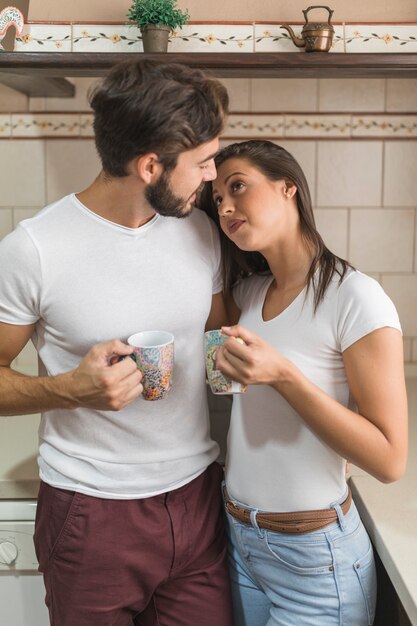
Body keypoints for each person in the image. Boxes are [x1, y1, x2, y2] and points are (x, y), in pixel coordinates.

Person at [0, 60, 235, 626]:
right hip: (90, 514)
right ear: (150, 165)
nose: (211, 177)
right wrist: (71, 390)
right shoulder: (33, 249)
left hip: (196, 498)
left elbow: (215, 343)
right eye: (202, 163)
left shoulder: (200, 229)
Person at [200, 139, 408, 626]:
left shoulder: (356, 298)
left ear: (288, 187)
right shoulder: (248, 294)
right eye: (216, 200)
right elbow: (217, 375)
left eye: (238, 187)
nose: (226, 205)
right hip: (241, 544)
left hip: (316, 559)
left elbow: (389, 459)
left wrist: (285, 376)